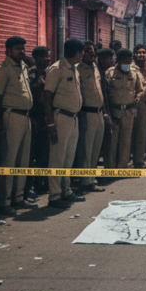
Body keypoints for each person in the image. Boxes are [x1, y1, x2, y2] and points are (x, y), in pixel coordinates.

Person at [0, 36, 34, 216]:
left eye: (23, 48)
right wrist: (0, 121)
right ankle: (5, 202)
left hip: (25, 118)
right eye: (18, 49)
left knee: (22, 160)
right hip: (11, 116)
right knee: (9, 161)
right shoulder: (3, 70)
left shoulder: (23, 67)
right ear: (8, 51)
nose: (22, 52)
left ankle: (18, 197)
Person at [44, 38, 85, 209]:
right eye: (82, 52)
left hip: (73, 119)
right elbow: (46, 97)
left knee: (68, 158)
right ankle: (54, 195)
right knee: (57, 158)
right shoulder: (56, 69)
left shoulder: (74, 69)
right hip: (61, 118)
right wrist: (51, 124)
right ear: (77, 53)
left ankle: (65, 191)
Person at [73, 41, 106, 193]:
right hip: (86, 113)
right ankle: (84, 181)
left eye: (92, 51)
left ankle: (91, 179)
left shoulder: (96, 68)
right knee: (85, 149)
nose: (91, 54)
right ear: (81, 53)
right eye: (87, 51)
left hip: (99, 113)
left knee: (95, 149)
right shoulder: (77, 69)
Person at [106, 48, 143, 170]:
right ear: (119, 61)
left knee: (126, 141)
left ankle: (122, 167)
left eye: (130, 61)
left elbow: (140, 90)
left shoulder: (134, 73)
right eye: (125, 61)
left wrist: (137, 98)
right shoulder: (110, 73)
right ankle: (110, 168)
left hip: (129, 112)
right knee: (112, 142)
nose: (128, 64)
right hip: (115, 111)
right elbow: (105, 92)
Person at [27, 46, 51, 200]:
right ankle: (31, 186)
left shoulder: (49, 73)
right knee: (32, 154)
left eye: (48, 56)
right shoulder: (32, 74)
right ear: (36, 58)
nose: (47, 59)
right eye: (43, 56)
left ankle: (42, 183)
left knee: (45, 153)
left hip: (47, 117)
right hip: (35, 117)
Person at [131, 45, 146, 168]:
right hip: (134, 105)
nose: (141, 55)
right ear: (134, 55)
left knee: (143, 134)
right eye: (139, 53)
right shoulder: (131, 69)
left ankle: (139, 159)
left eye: (144, 52)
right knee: (133, 134)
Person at [96, 48, 115, 179]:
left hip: (106, 112)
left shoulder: (103, 73)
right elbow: (99, 96)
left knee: (106, 142)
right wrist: (105, 113)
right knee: (98, 146)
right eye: (109, 59)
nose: (111, 61)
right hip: (100, 114)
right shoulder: (97, 72)